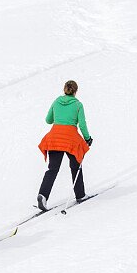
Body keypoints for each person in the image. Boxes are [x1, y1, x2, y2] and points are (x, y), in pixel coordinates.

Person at [36, 80, 92, 211]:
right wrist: (87, 138)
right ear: (76, 91)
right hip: (70, 139)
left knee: (52, 169)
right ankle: (80, 195)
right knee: (75, 165)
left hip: (54, 138)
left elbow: (48, 120)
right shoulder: (78, 105)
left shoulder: (56, 101)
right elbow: (82, 125)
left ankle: (42, 195)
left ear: (64, 89)